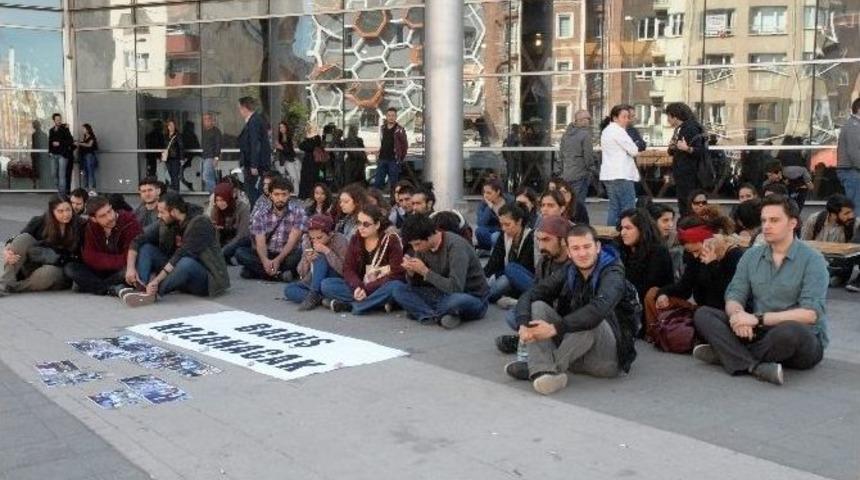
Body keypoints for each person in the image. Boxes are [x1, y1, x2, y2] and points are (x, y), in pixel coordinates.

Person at [692, 195, 830, 385]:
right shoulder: (751, 256)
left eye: (774, 220)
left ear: (792, 223)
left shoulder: (813, 260)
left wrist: (756, 319)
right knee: (703, 314)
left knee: (790, 331)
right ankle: (754, 366)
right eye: (764, 220)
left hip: (800, 340)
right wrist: (738, 316)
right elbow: (734, 294)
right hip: (758, 331)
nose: (766, 226)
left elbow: (810, 314)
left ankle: (726, 354)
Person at [505, 224, 639, 395]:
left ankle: (543, 368)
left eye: (587, 246)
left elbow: (597, 311)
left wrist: (554, 328)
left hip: (607, 360)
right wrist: (523, 323)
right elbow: (531, 294)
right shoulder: (570, 269)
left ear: (597, 247)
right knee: (537, 306)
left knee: (593, 319)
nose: (582, 253)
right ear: (568, 252)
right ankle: (543, 370)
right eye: (576, 248)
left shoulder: (613, 273)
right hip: (576, 353)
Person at [643, 219, 744, 342]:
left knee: (702, 315)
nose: (695, 256)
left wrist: (712, 265)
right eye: (692, 252)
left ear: (709, 241)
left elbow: (729, 294)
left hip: (721, 312)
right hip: (699, 309)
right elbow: (685, 287)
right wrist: (663, 293)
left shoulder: (734, 256)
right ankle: (658, 334)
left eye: (697, 251)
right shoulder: (694, 257)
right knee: (653, 293)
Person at [122, 193, 229, 306]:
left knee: (186, 262)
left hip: (206, 277)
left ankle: (153, 293)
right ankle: (141, 287)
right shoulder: (166, 221)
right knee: (147, 248)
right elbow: (138, 240)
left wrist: (156, 281)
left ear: (174, 211)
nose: (159, 215)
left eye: (162, 212)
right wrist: (130, 268)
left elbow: (181, 254)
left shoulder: (200, 223)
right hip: (175, 270)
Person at [392, 214, 489, 329]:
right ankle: (437, 315)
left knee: (454, 302)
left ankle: (424, 312)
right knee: (398, 290)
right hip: (440, 293)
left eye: (417, 244)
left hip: (470, 296)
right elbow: (417, 285)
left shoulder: (456, 246)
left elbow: (456, 288)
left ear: (429, 236)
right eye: (412, 245)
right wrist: (411, 273)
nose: (415, 249)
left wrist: (425, 272)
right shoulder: (422, 248)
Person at [495, 215, 573, 354]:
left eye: (547, 240)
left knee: (536, 309)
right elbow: (535, 292)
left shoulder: (574, 264)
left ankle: (536, 345)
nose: (541, 246)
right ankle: (530, 339)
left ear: (563, 241)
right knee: (515, 316)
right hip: (546, 309)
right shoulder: (545, 260)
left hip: (567, 319)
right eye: (539, 240)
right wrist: (525, 323)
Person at [321, 204, 407, 314]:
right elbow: (348, 268)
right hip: (361, 284)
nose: (360, 227)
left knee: (396, 287)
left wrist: (367, 289)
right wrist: (357, 287)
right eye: (358, 223)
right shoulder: (355, 239)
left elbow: (397, 273)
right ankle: (377, 304)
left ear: (377, 225)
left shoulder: (390, 240)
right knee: (327, 284)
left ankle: (351, 306)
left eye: (365, 224)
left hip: (381, 285)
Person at [1, 196, 85, 295]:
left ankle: (14, 287)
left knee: (49, 273)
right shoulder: (39, 221)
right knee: (24, 238)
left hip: (57, 270)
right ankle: (4, 284)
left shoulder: (80, 225)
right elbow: (18, 238)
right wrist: (7, 251)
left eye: (68, 210)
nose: (66, 214)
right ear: (52, 212)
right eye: (60, 211)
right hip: (34, 262)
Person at [64, 196, 142, 296]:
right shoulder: (91, 226)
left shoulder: (130, 222)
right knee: (70, 268)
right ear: (93, 219)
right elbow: (89, 256)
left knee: (130, 270)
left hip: (122, 269)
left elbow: (130, 255)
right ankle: (110, 288)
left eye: (109, 211)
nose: (110, 217)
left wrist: (100, 259)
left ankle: (94, 285)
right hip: (101, 270)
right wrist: (99, 261)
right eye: (102, 216)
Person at [235, 177, 306, 281]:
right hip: (267, 252)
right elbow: (260, 242)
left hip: (287, 254)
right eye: (276, 194)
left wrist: (277, 260)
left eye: (284, 194)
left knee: (299, 254)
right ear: (271, 195)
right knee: (240, 253)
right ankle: (279, 275)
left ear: (289, 195)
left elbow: (292, 241)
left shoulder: (299, 212)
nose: (280, 198)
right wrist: (265, 261)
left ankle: (258, 272)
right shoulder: (261, 214)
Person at [283, 214, 349, 310]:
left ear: (330, 234)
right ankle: (322, 300)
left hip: (332, 278)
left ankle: (314, 295)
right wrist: (307, 260)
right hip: (313, 280)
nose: (315, 241)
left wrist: (327, 251)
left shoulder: (340, 240)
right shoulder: (307, 241)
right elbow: (301, 272)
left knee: (320, 257)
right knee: (289, 289)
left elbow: (344, 270)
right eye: (312, 238)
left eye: (319, 238)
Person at [800, 194, 859, 291]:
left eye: (851, 212)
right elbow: (803, 245)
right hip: (816, 262)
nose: (851, 216)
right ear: (833, 214)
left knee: (828, 281)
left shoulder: (855, 224)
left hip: (839, 266)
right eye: (846, 213)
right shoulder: (815, 219)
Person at [617, 208, 674, 306]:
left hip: (648, 306)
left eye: (628, 228)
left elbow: (647, 287)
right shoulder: (622, 250)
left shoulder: (658, 252)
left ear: (641, 229)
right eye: (622, 228)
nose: (623, 232)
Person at [484, 203, 535, 305]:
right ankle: (482, 296)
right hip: (507, 278)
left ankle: (483, 298)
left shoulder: (531, 237)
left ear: (519, 221)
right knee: (500, 280)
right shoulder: (504, 236)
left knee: (509, 272)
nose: (503, 228)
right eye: (501, 224)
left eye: (507, 224)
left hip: (526, 281)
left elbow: (524, 268)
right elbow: (494, 261)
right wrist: (482, 277)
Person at [600, 105, 640, 227]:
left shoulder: (606, 131)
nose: (627, 120)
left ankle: (611, 234)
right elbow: (634, 150)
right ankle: (626, 233)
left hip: (609, 174)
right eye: (624, 117)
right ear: (615, 118)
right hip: (621, 174)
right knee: (628, 209)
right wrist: (634, 145)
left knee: (614, 208)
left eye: (628, 117)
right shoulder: (618, 131)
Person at [665, 102, 707, 217]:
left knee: (688, 206)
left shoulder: (691, 128)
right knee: (684, 205)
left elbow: (700, 151)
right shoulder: (681, 129)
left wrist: (686, 148)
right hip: (683, 175)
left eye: (668, 116)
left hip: (690, 176)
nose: (668, 120)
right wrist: (674, 147)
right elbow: (674, 150)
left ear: (675, 115)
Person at [237, 97, 271, 206]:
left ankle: (255, 214)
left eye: (240, 108)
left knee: (252, 191)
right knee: (255, 190)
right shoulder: (256, 119)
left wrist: (254, 165)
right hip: (254, 163)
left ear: (244, 108)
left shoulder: (254, 121)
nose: (239, 111)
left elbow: (255, 144)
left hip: (254, 165)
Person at [210, 181, 251, 265]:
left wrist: (224, 250)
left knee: (241, 248)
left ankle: (221, 255)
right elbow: (213, 234)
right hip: (223, 242)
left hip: (238, 241)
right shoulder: (215, 209)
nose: (220, 203)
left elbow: (242, 234)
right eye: (217, 200)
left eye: (223, 200)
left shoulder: (242, 208)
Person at [559, 110, 595, 202]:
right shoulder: (585, 135)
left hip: (567, 173)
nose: (589, 121)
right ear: (581, 120)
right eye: (588, 119)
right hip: (580, 172)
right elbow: (588, 155)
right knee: (578, 203)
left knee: (568, 201)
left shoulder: (566, 135)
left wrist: (562, 170)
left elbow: (561, 154)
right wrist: (592, 169)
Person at [373, 107, 408, 190]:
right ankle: (377, 201)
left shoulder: (399, 129)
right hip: (382, 159)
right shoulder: (382, 128)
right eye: (389, 115)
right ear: (386, 116)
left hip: (393, 160)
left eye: (393, 115)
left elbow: (405, 145)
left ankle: (393, 202)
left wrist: (399, 158)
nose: (391, 117)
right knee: (377, 182)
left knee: (393, 184)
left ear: (396, 117)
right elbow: (382, 142)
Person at [836, 97, 860, 209]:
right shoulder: (854, 126)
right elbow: (854, 152)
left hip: (852, 171)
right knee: (856, 209)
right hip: (851, 172)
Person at [476, 178, 511, 251]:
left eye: (489, 193)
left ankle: (495, 249)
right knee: (479, 231)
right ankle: (491, 249)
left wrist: (495, 210)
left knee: (496, 236)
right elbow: (481, 223)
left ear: (498, 192)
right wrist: (489, 207)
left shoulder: (508, 201)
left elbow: (508, 221)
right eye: (484, 192)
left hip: (503, 230)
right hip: (489, 229)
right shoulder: (483, 204)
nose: (485, 195)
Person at [48, 113, 75, 195]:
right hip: (53, 155)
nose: (59, 121)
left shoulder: (65, 129)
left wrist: (59, 143)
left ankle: (62, 195)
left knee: (62, 175)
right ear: (54, 120)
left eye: (60, 119)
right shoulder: (51, 130)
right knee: (53, 174)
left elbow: (70, 141)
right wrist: (50, 152)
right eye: (57, 120)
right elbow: (50, 142)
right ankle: (59, 190)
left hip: (62, 155)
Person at [298, 123, 323, 200]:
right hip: (307, 162)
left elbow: (310, 146)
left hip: (314, 162)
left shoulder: (317, 138)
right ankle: (305, 196)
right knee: (305, 179)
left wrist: (308, 140)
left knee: (313, 179)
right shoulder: (309, 138)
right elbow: (301, 146)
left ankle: (312, 195)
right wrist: (308, 139)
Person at [201, 113, 223, 194]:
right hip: (205, 157)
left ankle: (215, 196)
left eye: (207, 119)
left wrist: (216, 158)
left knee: (206, 177)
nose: (205, 121)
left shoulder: (216, 131)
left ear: (211, 121)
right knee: (211, 178)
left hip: (211, 157)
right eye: (204, 119)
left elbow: (218, 145)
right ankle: (214, 197)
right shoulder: (205, 132)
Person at [274, 121, 299, 194]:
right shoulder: (280, 138)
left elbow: (290, 151)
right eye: (280, 127)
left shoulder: (289, 137)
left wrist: (281, 148)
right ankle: (285, 193)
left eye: (282, 127)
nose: (281, 129)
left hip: (289, 160)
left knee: (294, 178)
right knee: (283, 179)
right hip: (282, 161)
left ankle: (296, 194)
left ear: (286, 128)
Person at [162, 119, 185, 192]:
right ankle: (173, 191)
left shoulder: (178, 135)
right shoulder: (165, 136)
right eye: (169, 125)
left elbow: (181, 147)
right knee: (170, 175)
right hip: (168, 158)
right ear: (167, 127)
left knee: (175, 176)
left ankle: (176, 193)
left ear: (175, 126)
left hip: (175, 158)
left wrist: (182, 158)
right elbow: (164, 146)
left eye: (172, 125)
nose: (171, 127)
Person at [75, 123, 98, 192]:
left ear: (88, 129)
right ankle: (86, 189)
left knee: (91, 172)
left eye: (84, 129)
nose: (83, 130)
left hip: (89, 156)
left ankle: (93, 189)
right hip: (84, 156)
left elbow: (89, 145)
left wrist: (79, 143)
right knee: (85, 172)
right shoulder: (84, 137)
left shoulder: (92, 137)